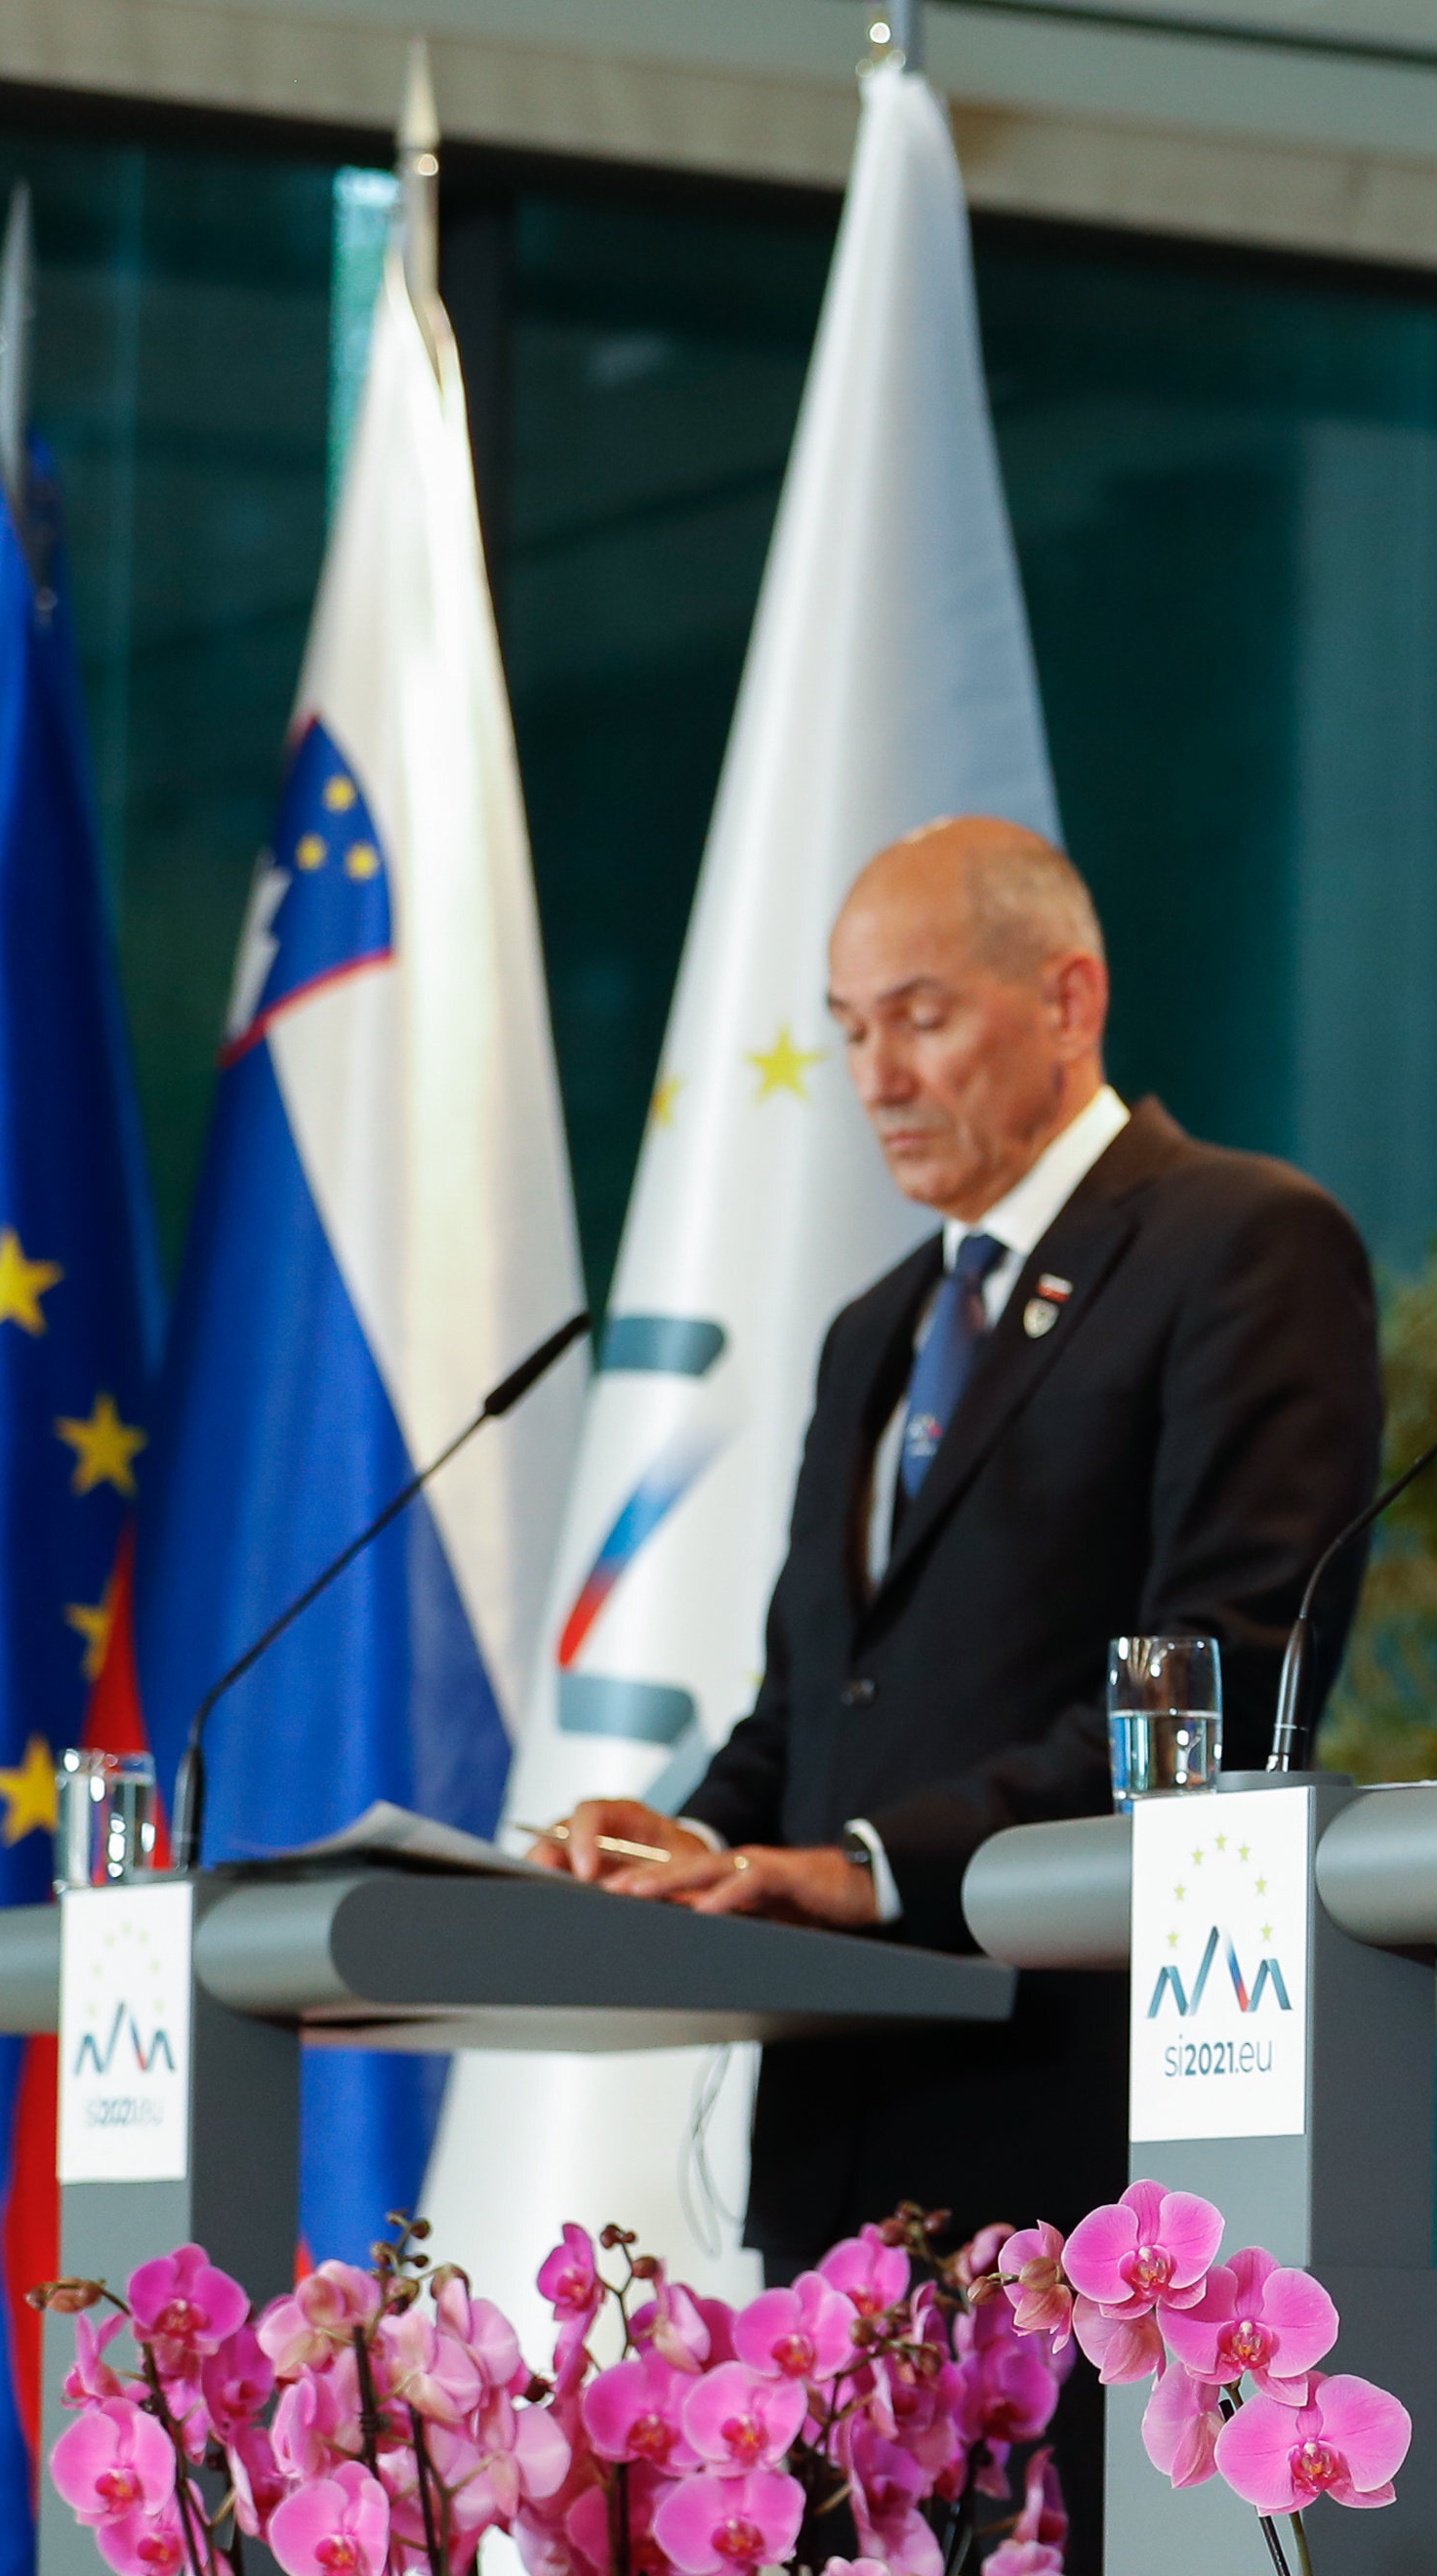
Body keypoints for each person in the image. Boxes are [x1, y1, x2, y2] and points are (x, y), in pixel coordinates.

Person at [534, 816, 1383, 2282]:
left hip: (1088, 2148)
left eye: (921, 1017)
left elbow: (1224, 1687)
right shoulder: (875, 1329)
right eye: (852, 1029)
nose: (877, 1077)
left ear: (1069, 1000)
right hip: (839, 2155)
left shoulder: (1241, 1243)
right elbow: (813, 1707)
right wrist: (694, 1844)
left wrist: (862, 1866)